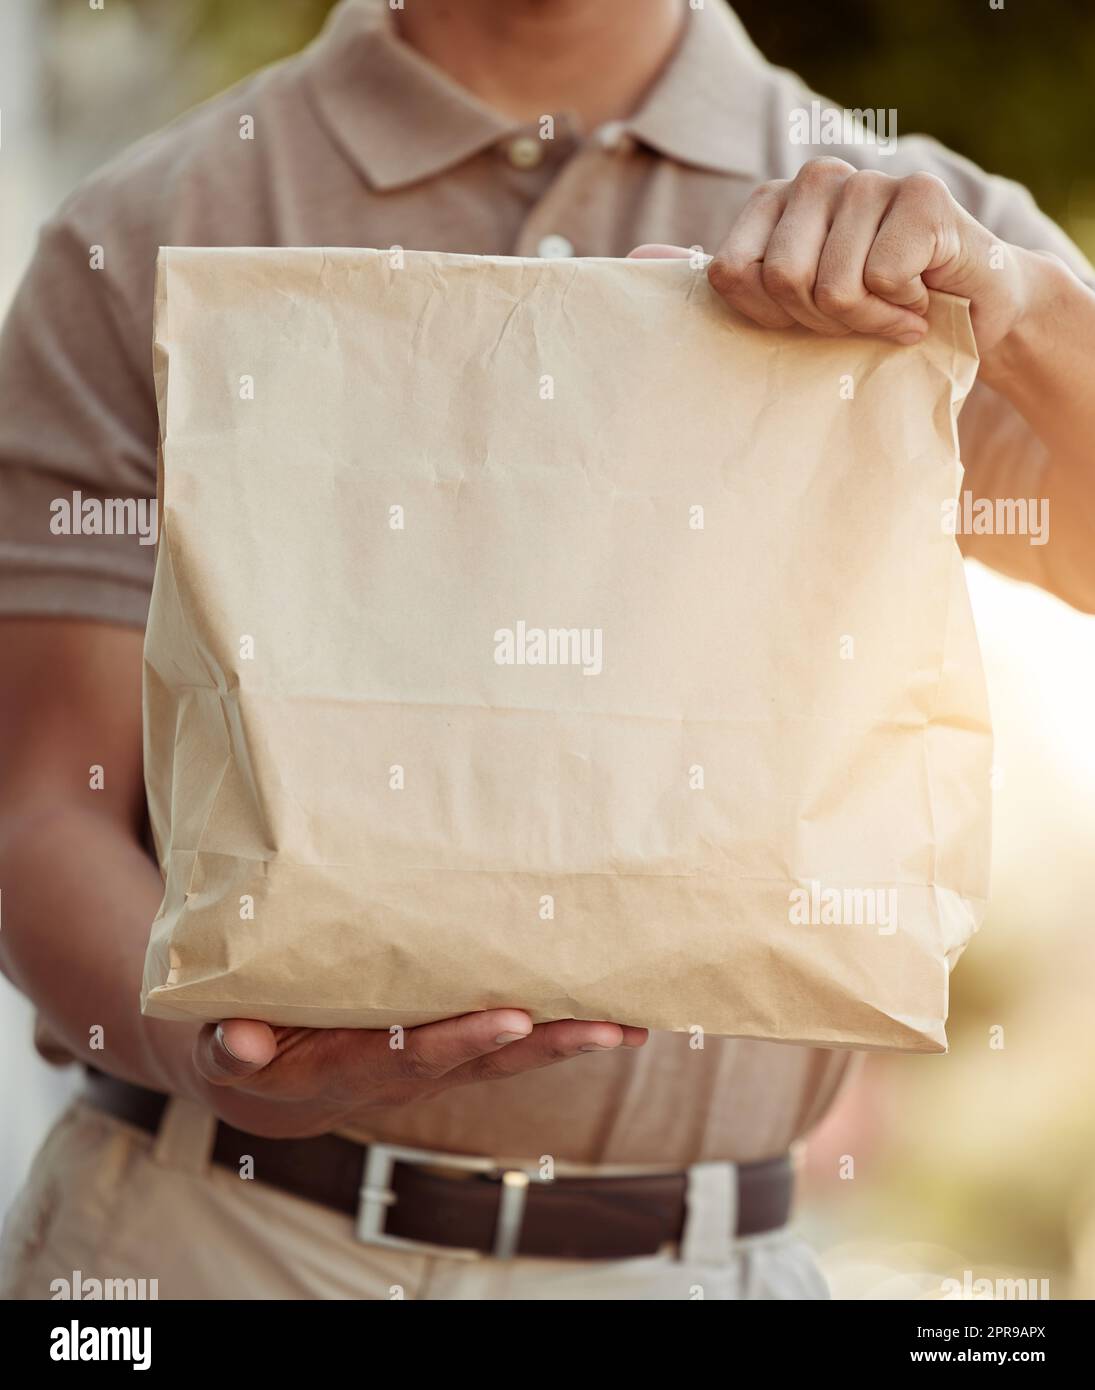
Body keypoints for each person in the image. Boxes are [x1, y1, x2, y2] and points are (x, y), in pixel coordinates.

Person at [0, 0, 1092, 1301]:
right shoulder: (147, 220)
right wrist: (216, 1056)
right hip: (210, 1246)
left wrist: (1027, 308)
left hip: (689, 1268)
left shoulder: (910, 222)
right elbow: (40, 804)